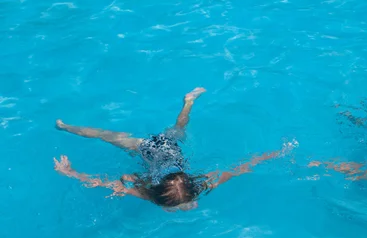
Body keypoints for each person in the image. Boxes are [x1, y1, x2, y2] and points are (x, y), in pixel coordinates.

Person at [54, 87, 290, 211]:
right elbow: (242, 168)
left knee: (108, 136)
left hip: (168, 149)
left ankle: (189, 101)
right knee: (110, 137)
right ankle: (189, 101)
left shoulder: (203, 183)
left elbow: (241, 168)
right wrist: (71, 173)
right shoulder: (152, 193)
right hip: (150, 149)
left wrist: (273, 154)